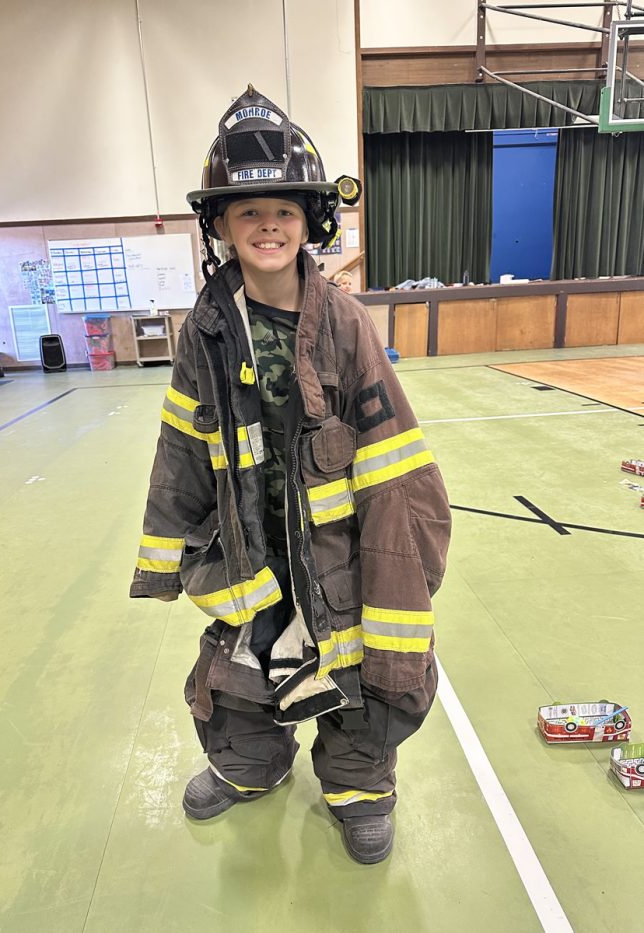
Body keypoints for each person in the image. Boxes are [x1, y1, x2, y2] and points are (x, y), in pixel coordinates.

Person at [130, 86, 451, 865]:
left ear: (310, 221)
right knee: (243, 671)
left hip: (337, 547)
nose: (266, 224)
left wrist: (404, 559)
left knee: (359, 673)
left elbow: (391, 454)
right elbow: (180, 445)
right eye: (247, 213)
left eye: (282, 210)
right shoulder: (204, 331)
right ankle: (249, 767)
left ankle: (359, 789)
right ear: (220, 228)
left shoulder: (344, 323)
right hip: (248, 548)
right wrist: (167, 554)